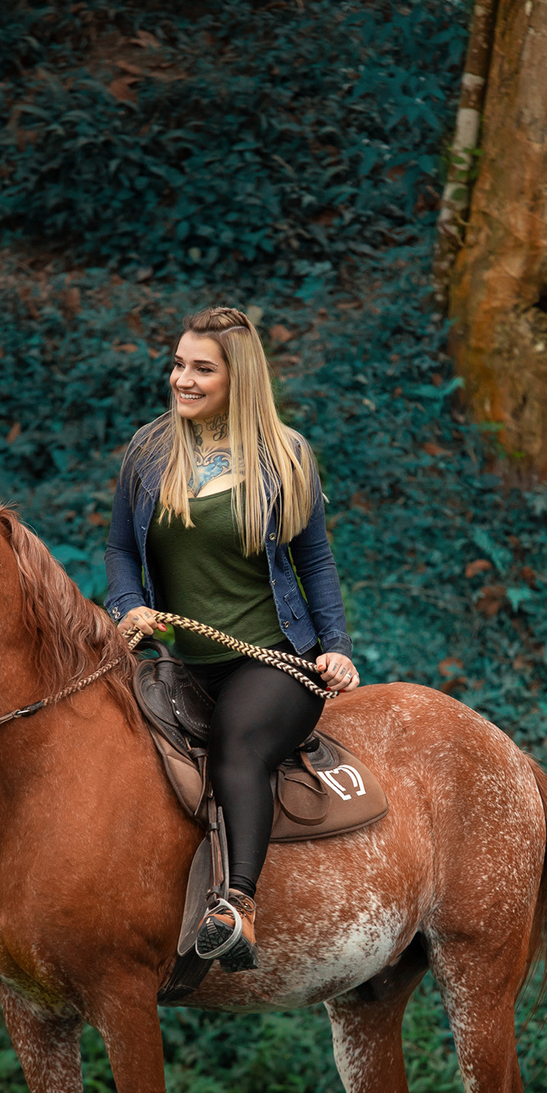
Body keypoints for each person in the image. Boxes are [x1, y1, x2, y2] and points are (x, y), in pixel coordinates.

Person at [106, 305, 359, 971]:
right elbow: (120, 552)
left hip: (272, 661)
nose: (181, 380)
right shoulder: (148, 451)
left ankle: (235, 908)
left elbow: (316, 564)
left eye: (201, 369)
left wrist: (335, 644)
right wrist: (129, 606)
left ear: (238, 381)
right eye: (178, 364)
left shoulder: (286, 458)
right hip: (176, 660)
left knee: (237, 748)